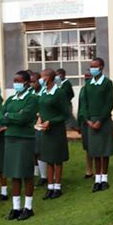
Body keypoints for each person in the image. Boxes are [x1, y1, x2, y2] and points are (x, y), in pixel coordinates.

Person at [0, 70, 39, 221]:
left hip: (24, 138)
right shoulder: (10, 99)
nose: (15, 84)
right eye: (14, 81)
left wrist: (10, 116)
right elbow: (0, 117)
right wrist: (11, 116)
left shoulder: (32, 98)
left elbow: (25, 117)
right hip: (10, 139)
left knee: (26, 173)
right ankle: (16, 207)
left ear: (27, 82)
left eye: (19, 81)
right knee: (13, 174)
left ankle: (28, 207)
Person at [82, 58, 113, 193]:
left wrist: (100, 120)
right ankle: (97, 179)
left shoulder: (107, 83)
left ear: (101, 68)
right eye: (91, 66)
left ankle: (104, 179)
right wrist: (88, 120)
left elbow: (109, 104)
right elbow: (84, 104)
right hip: (91, 120)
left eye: (94, 66)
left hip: (104, 120)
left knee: (104, 150)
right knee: (95, 151)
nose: (92, 69)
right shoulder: (88, 85)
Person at [38, 69, 70, 199]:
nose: (40, 80)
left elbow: (65, 114)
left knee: (57, 159)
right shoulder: (44, 92)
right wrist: (40, 118)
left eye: (42, 77)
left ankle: (57, 186)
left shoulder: (59, 93)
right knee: (48, 159)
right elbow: (41, 108)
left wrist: (51, 121)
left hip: (56, 130)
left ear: (49, 78)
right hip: (45, 130)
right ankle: (50, 186)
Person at [30, 72, 47, 186]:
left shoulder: (44, 92)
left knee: (42, 150)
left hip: (42, 124)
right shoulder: (30, 93)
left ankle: (45, 176)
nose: (32, 84)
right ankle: (40, 173)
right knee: (35, 150)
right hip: (32, 124)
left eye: (34, 81)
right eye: (30, 81)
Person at [77, 71, 94, 179]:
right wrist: (80, 122)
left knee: (96, 146)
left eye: (89, 76)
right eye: (86, 76)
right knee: (88, 147)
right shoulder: (83, 89)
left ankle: (100, 170)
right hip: (85, 122)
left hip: (94, 120)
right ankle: (89, 170)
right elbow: (80, 106)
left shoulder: (96, 89)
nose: (87, 78)